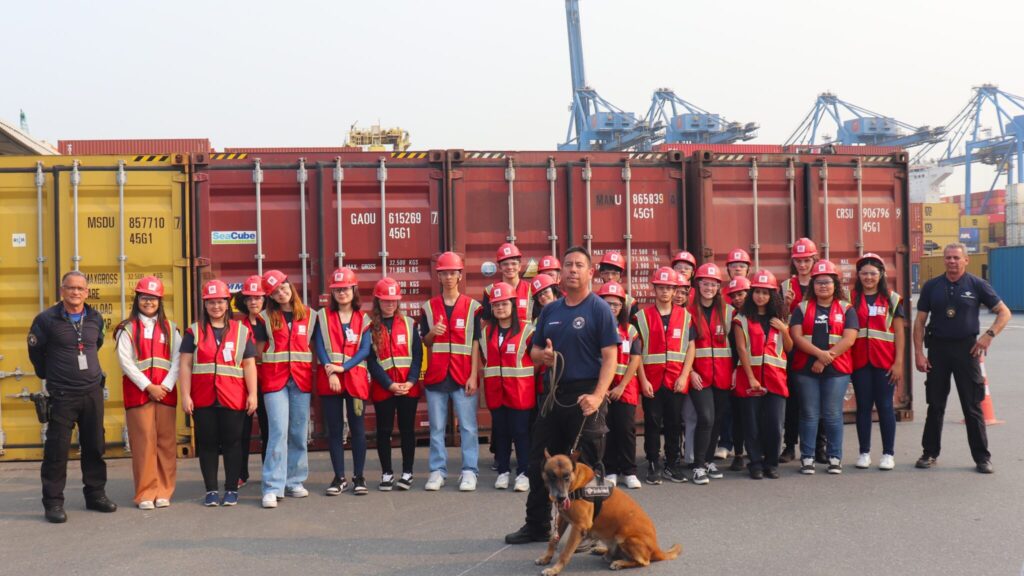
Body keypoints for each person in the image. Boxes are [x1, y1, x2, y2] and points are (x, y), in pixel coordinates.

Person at [505, 246, 619, 545]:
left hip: (586, 397)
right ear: (560, 272)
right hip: (554, 396)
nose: (572, 270)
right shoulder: (551, 310)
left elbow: (611, 356)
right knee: (539, 462)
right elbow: (533, 352)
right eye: (568, 265)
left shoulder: (599, 309)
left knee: (588, 468)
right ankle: (537, 525)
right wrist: (542, 356)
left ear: (590, 272)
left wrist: (598, 396)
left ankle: (591, 530)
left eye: (579, 265)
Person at [913, 242, 1010, 474]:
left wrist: (988, 336)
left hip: (967, 350)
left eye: (957, 258)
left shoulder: (977, 285)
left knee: (972, 405)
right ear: (943, 260)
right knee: (935, 404)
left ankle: (982, 458)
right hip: (938, 350)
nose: (952, 261)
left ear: (966, 260)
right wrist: (918, 353)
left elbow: (1004, 313)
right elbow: (920, 321)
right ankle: (929, 453)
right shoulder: (932, 286)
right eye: (948, 257)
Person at [29, 271, 118, 523]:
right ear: (62, 291)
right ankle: (53, 503)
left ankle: (96, 495)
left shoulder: (95, 318)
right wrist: (50, 374)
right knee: (57, 451)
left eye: (80, 288)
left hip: (92, 392)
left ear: (87, 292)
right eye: (71, 288)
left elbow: (96, 344)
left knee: (95, 446)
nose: (75, 292)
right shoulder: (46, 320)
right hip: (62, 394)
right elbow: (35, 353)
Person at [179, 279, 258, 507]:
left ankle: (232, 489)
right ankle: (211, 490)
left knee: (233, 444)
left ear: (228, 303)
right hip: (203, 398)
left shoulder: (241, 331)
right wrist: (185, 395)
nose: (216, 307)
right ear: (205, 305)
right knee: (207, 444)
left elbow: (249, 365)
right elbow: (185, 364)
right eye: (211, 302)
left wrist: (253, 394)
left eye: (221, 302)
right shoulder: (194, 331)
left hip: (233, 397)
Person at [115, 276, 181, 510]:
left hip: (165, 394)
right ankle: (145, 493)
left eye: (153, 298)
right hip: (139, 394)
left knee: (166, 443)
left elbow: (178, 360)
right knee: (143, 443)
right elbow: (125, 362)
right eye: (144, 297)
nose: (149, 302)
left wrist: (166, 386)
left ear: (160, 301)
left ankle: (164, 491)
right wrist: (148, 386)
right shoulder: (127, 329)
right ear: (137, 300)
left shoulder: (171, 328)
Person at [254, 270, 317, 508]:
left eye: (283, 288)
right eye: (275, 292)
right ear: (270, 296)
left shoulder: (311, 315)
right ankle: (272, 487)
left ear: (290, 286)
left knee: (299, 432)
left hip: (300, 380)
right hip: (275, 381)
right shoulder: (264, 318)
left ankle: (295, 481)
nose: (281, 294)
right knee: (278, 432)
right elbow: (259, 352)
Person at [420, 252, 482, 492]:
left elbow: (476, 343)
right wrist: (432, 332)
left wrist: (474, 375)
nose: (448, 277)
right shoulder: (428, 308)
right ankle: (437, 471)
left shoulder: (472, 308)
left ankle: (469, 471)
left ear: (459, 276)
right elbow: (425, 342)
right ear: (438, 277)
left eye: (452, 273)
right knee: (436, 428)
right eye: (444, 273)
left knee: (468, 427)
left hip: (463, 375)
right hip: (437, 375)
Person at [789, 260, 858, 475]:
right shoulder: (802, 308)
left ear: (835, 284)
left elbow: (849, 339)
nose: (823, 286)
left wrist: (824, 359)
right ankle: (807, 457)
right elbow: (796, 337)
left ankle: (834, 457)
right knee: (809, 414)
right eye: (819, 282)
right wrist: (819, 355)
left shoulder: (846, 309)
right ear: (813, 285)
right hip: (805, 369)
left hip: (837, 371)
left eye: (827, 281)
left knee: (832, 414)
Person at [314, 267, 372, 495]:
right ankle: (339, 478)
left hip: (355, 380)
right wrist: (332, 372)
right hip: (331, 380)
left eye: (346, 288)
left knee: (358, 429)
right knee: (335, 430)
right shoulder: (322, 316)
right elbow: (319, 346)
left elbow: (365, 350)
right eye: (337, 289)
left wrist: (343, 368)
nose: (342, 293)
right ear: (332, 292)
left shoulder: (363, 318)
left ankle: (359, 477)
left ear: (354, 289)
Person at [636, 267, 695, 485]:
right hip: (651, 380)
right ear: (654, 289)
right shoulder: (641, 317)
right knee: (652, 423)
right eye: (661, 287)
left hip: (675, 380)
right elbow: (636, 353)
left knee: (673, 424)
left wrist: (684, 376)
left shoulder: (686, 317)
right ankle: (653, 463)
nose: (665, 292)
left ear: (675, 290)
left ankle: (672, 464)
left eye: (669, 288)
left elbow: (691, 347)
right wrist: (643, 380)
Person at [733, 270, 792, 479]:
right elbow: (741, 349)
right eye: (757, 292)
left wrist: (784, 330)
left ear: (772, 295)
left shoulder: (779, 318)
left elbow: (789, 348)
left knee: (774, 425)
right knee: (752, 425)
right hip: (750, 378)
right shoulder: (741, 319)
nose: (761, 296)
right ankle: (756, 463)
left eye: (766, 293)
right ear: (752, 293)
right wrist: (751, 378)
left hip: (776, 379)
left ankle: (771, 463)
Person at [368, 277, 423, 491]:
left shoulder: (410, 324)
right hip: (384, 388)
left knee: (407, 430)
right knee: (384, 431)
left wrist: (411, 381)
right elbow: (371, 361)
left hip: (408, 388)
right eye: (385, 300)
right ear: (378, 301)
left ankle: (407, 472)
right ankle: (387, 473)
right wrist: (389, 384)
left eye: (393, 300)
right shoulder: (370, 327)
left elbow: (417, 356)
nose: (390, 304)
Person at [850, 253, 905, 471]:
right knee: (863, 407)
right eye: (864, 273)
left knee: (885, 406)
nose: (868, 277)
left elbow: (899, 333)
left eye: (873, 273)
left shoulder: (892, 299)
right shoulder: (850, 298)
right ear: (858, 275)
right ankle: (864, 453)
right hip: (859, 362)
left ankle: (888, 454)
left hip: (885, 362)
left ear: (881, 274)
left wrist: (898, 363)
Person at [482, 282, 536, 492]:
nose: (500, 308)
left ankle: (523, 473)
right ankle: (503, 471)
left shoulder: (527, 330)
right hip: (496, 392)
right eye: (496, 305)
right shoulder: (486, 332)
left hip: (520, 392)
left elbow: (537, 360)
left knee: (521, 433)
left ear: (513, 305)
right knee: (502, 433)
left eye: (504, 304)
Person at [687, 263, 735, 485]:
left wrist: (735, 371)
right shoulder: (687, 313)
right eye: (705, 283)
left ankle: (707, 461)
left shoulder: (728, 312)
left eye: (713, 284)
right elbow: (683, 347)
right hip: (700, 376)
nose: (709, 288)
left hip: (723, 376)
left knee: (716, 419)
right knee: (705, 418)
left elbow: (737, 346)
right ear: (698, 285)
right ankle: (698, 466)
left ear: (718, 287)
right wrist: (691, 372)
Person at [780, 237, 822, 463]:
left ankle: (820, 446)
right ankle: (789, 446)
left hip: (819, 348)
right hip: (793, 350)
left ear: (814, 259)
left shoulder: (822, 282)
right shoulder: (786, 286)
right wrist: (785, 306)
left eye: (807, 260)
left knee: (819, 400)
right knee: (793, 400)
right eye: (798, 261)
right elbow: (778, 320)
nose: (803, 265)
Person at [598, 281, 643, 489]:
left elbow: (635, 358)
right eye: (607, 304)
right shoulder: (596, 328)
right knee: (606, 430)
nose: (612, 308)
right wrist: (603, 388)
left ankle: (629, 471)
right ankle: (611, 470)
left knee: (626, 430)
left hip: (625, 388)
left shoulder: (630, 330)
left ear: (622, 307)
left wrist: (621, 386)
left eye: (616, 304)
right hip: (603, 389)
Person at [233, 275, 268, 489]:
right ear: (244, 301)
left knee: (269, 430)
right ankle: (241, 474)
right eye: (249, 298)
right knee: (241, 431)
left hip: (270, 383)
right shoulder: (238, 326)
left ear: (265, 299)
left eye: (258, 297)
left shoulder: (272, 323)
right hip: (244, 385)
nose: (253, 302)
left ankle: (269, 472)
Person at [722, 274, 751, 471]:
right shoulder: (731, 317)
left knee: (756, 415)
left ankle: (756, 451)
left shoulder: (761, 315)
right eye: (733, 295)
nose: (737, 298)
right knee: (739, 414)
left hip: (759, 370)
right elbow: (733, 348)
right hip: (736, 371)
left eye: (741, 294)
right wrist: (733, 370)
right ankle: (738, 454)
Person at [483, 242, 532, 323]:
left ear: (520, 266)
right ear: (500, 267)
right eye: (505, 264)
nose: (510, 267)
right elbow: (486, 321)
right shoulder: (490, 291)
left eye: (514, 264)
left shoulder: (531, 290)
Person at [597, 251, 638, 318]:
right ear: (601, 274)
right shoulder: (594, 300)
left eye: (614, 273)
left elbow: (637, 324)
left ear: (620, 275)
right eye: (606, 273)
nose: (610, 277)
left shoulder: (631, 303)